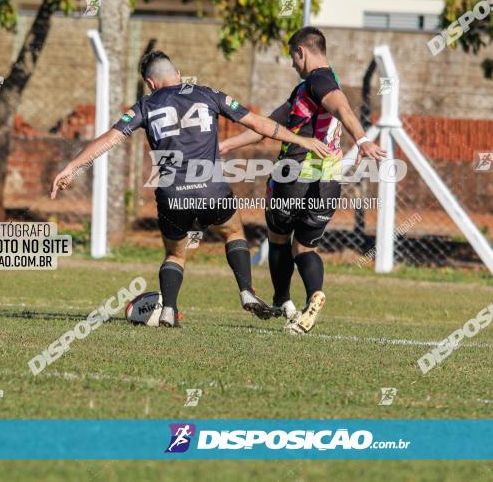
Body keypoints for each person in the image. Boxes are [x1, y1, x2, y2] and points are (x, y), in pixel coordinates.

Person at [51, 50, 330, 327]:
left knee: (175, 254)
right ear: (178, 74)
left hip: (173, 196)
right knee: (233, 232)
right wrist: (301, 140)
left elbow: (109, 139)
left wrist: (71, 167)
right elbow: (259, 123)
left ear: (150, 82)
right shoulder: (208, 94)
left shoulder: (145, 105)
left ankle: (169, 310)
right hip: (212, 189)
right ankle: (245, 291)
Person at [219, 27, 386, 334]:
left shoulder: (317, 81)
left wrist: (362, 139)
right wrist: (227, 145)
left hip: (293, 175)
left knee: (279, 239)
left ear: (302, 52)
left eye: (293, 58)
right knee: (305, 249)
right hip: (328, 183)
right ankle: (313, 296)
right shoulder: (304, 93)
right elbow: (266, 126)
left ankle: (284, 302)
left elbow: (342, 107)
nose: (293, 65)